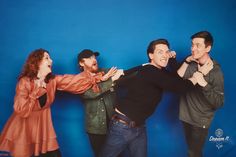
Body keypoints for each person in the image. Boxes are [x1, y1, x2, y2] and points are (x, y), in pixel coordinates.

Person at [0, 48, 116, 157]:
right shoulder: (25, 82)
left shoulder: (52, 81)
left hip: (43, 126)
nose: (51, 60)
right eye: (47, 58)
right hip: (24, 128)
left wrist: (98, 78)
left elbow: (73, 82)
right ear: (37, 62)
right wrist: (36, 91)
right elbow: (21, 110)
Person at [100, 39, 202, 157]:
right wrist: (196, 78)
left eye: (166, 52)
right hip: (122, 126)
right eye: (160, 52)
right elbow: (179, 87)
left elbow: (175, 78)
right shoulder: (150, 71)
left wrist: (181, 61)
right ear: (151, 55)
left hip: (138, 126)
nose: (164, 55)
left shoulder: (158, 71)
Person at [77, 49, 141, 157]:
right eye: (89, 58)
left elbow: (129, 76)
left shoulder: (108, 72)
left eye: (94, 57)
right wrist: (111, 81)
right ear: (81, 63)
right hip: (95, 129)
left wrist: (148, 67)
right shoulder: (79, 80)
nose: (94, 60)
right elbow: (90, 93)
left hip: (115, 126)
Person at [177, 31, 224, 157]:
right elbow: (177, 83)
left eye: (198, 45)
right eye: (192, 45)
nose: (193, 48)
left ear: (208, 48)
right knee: (192, 150)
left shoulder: (216, 72)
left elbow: (219, 102)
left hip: (200, 121)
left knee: (193, 153)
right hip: (185, 116)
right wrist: (186, 61)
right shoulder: (190, 62)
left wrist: (203, 83)